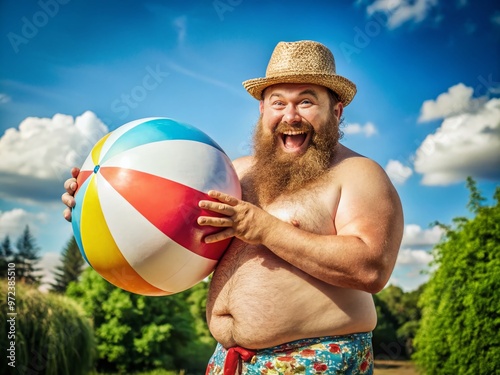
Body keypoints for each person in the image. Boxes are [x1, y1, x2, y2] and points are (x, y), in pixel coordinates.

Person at [62, 40, 403, 374]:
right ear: (262, 109)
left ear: (337, 110)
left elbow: (371, 269)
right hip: (230, 360)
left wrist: (265, 228)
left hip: (315, 359)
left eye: (306, 102)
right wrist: (96, 205)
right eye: (278, 102)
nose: (291, 116)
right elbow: (170, 226)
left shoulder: (358, 173)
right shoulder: (236, 171)